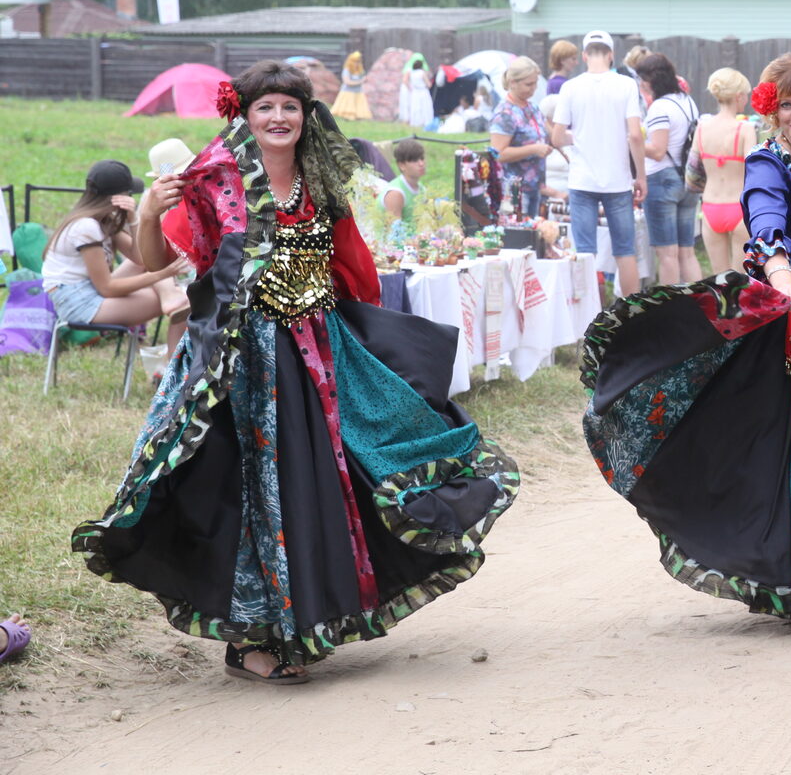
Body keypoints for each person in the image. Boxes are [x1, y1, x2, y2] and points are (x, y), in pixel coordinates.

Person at [73, 60, 519, 684]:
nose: (278, 119)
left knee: (319, 487)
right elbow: (160, 261)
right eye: (266, 108)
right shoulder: (213, 182)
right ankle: (249, 642)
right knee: (249, 492)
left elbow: (351, 264)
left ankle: (308, 620)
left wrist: (368, 339)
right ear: (245, 115)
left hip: (317, 352)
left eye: (290, 107)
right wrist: (150, 211)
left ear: (306, 116)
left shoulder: (320, 179)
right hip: (236, 361)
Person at [580, 51, 791, 639]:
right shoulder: (767, 161)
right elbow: (765, 224)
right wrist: (784, 278)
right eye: (786, 104)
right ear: (772, 106)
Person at [43, 160, 191, 351]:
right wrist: (163, 274)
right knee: (186, 304)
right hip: (78, 302)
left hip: (90, 290)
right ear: (118, 197)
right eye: (128, 193)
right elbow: (107, 288)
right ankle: (173, 368)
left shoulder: (102, 221)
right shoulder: (86, 227)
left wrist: (133, 219)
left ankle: (171, 297)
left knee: (170, 287)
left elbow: (141, 259)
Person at [551, 31, 645, 295]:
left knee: (585, 252)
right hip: (618, 180)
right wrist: (641, 177)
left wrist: (577, 136)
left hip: (582, 180)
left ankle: (589, 317)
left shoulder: (570, 87)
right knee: (625, 251)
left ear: (584, 56)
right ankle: (630, 315)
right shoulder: (626, 85)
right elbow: (635, 135)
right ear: (611, 55)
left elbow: (557, 136)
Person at [637, 52, 701, 285]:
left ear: (649, 81)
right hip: (687, 179)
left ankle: (669, 310)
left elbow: (656, 150)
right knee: (687, 252)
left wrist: (630, 141)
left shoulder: (659, 108)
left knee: (667, 254)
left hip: (661, 180)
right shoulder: (688, 101)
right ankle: (699, 305)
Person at [694, 67, 757, 276]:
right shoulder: (745, 129)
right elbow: (755, 172)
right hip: (738, 207)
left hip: (710, 207)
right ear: (739, 96)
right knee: (741, 280)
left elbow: (692, 175)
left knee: (719, 280)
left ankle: (722, 310)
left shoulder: (701, 128)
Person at [488, 56, 553, 219]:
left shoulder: (533, 108)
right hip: (513, 193)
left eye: (535, 83)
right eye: (528, 84)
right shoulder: (505, 113)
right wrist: (534, 149)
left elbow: (549, 134)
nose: (533, 89)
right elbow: (498, 154)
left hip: (536, 189)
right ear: (512, 83)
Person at [381, 138, 428, 227]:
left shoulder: (422, 189)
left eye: (422, 158)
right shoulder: (396, 193)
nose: (421, 163)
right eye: (414, 160)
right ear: (401, 165)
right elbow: (394, 233)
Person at [332, 51, 371, 120]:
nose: (356, 64)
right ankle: (347, 119)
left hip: (358, 93)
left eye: (358, 62)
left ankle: (357, 119)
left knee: (359, 110)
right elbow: (347, 82)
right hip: (348, 93)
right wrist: (361, 81)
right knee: (347, 110)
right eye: (355, 62)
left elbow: (365, 79)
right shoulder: (347, 70)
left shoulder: (360, 71)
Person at [398, 54, 434, 129]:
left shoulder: (412, 73)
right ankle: (426, 121)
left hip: (415, 92)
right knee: (425, 107)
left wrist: (411, 88)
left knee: (415, 108)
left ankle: (416, 122)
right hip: (423, 91)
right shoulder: (421, 73)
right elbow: (428, 84)